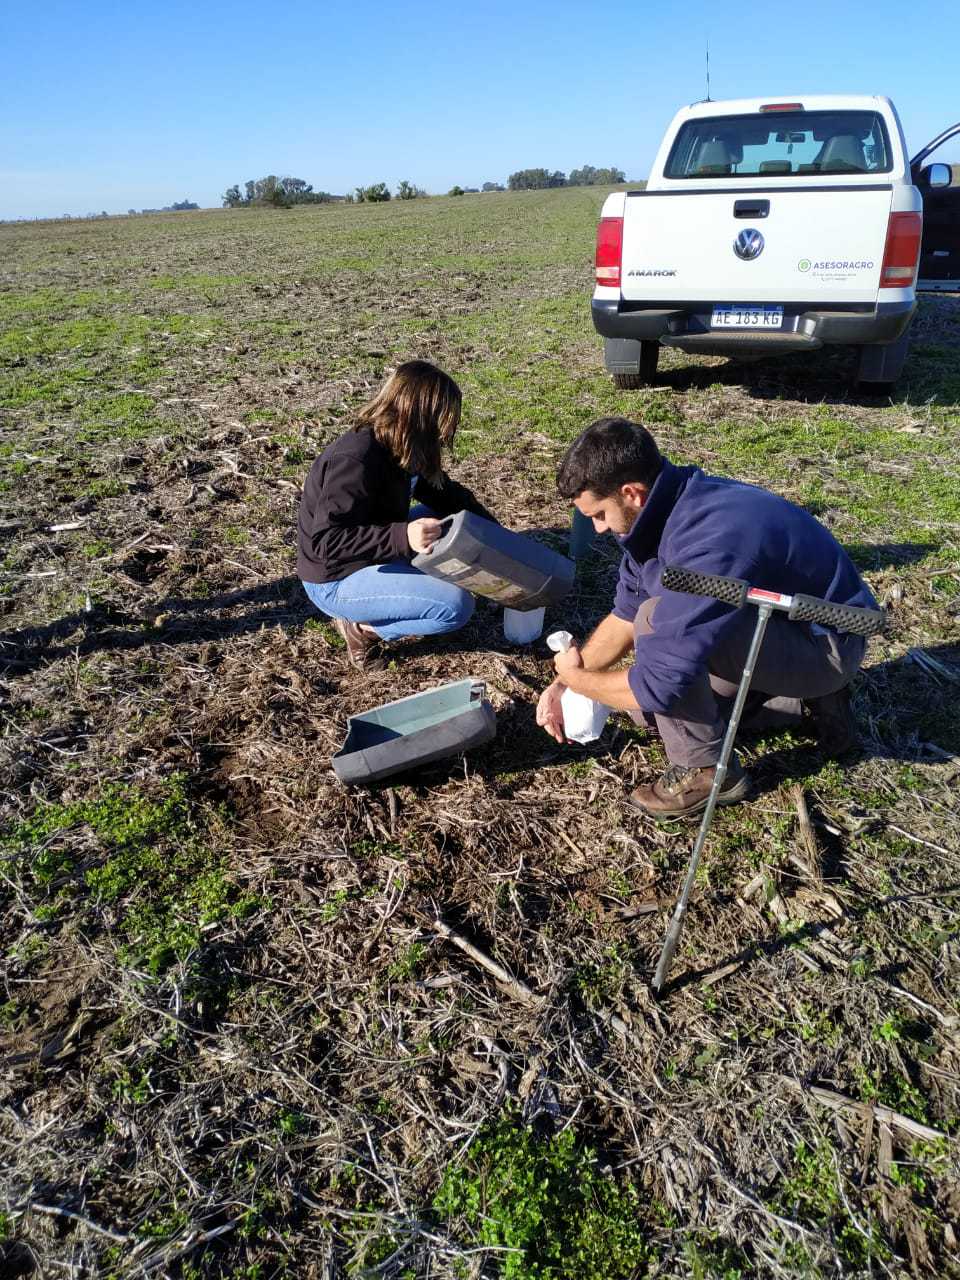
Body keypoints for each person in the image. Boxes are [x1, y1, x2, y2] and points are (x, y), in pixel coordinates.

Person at [536, 418, 877, 819]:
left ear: (631, 493)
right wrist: (563, 684)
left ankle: (707, 773)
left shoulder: (707, 543)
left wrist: (582, 681)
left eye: (599, 514)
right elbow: (623, 615)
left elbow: (660, 681)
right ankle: (799, 703)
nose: (596, 529)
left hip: (825, 643)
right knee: (643, 711)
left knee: (655, 633)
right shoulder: (665, 509)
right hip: (782, 627)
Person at [297, 360, 496, 668]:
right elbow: (325, 541)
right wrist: (403, 536)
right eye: (440, 423)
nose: (444, 434)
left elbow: (446, 495)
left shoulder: (405, 446)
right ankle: (362, 629)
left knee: (453, 520)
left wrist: (499, 539)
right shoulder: (355, 459)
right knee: (455, 606)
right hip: (335, 578)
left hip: (375, 552)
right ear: (416, 415)